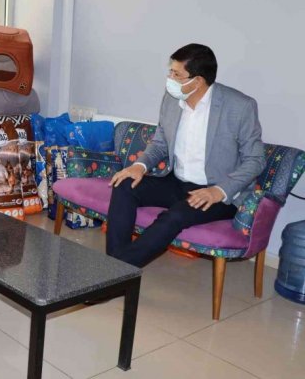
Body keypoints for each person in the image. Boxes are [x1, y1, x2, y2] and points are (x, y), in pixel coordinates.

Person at [106, 43, 266, 268]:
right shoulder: (172, 99)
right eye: (170, 72)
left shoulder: (239, 106)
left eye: (176, 74)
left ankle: (114, 272)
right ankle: (115, 268)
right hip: (177, 183)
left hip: (215, 192)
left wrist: (218, 191)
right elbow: (160, 144)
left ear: (197, 81)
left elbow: (256, 160)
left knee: (176, 216)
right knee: (124, 185)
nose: (169, 79)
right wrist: (139, 166)